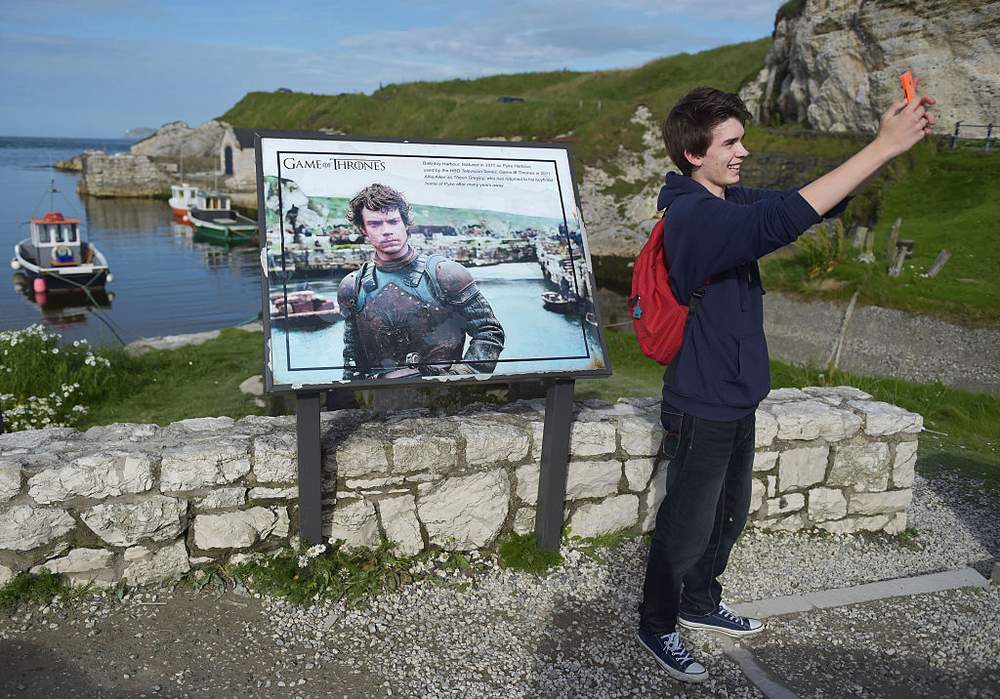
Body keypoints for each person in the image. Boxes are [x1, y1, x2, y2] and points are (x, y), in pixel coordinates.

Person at [637, 87, 935, 683]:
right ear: (694, 153)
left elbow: (810, 204)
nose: (743, 151)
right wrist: (882, 146)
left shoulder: (727, 198)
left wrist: (885, 147)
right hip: (701, 399)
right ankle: (658, 622)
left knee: (728, 512)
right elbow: (777, 223)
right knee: (688, 521)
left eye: (742, 139)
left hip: (736, 392)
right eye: (730, 142)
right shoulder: (694, 217)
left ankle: (700, 601)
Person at [337, 183, 505, 380]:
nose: (386, 231)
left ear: (405, 223)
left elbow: (488, 332)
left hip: (446, 394)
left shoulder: (445, 274)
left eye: (393, 221)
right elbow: (352, 359)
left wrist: (457, 379)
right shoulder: (352, 287)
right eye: (375, 224)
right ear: (363, 229)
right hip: (381, 394)